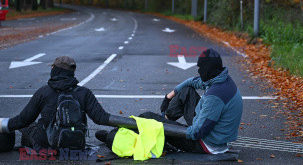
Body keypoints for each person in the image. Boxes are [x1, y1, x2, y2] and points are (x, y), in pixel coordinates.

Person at [96, 48, 243, 154]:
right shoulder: (222, 80)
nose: (199, 71)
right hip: (214, 134)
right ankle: (164, 120)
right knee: (186, 91)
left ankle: (113, 135)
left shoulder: (215, 96)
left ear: (208, 70)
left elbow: (197, 132)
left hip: (205, 143)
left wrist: (164, 129)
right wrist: (169, 96)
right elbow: (193, 81)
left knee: (147, 117)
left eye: (200, 68)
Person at [8, 56, 111, 151]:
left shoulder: (44, 92)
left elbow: (23, 120)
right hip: (75, 144)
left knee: (27, 126)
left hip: (47, 144)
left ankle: (31, 143)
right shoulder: (84, 93)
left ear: (55, 70)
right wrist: (126, 122)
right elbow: (101, 118)